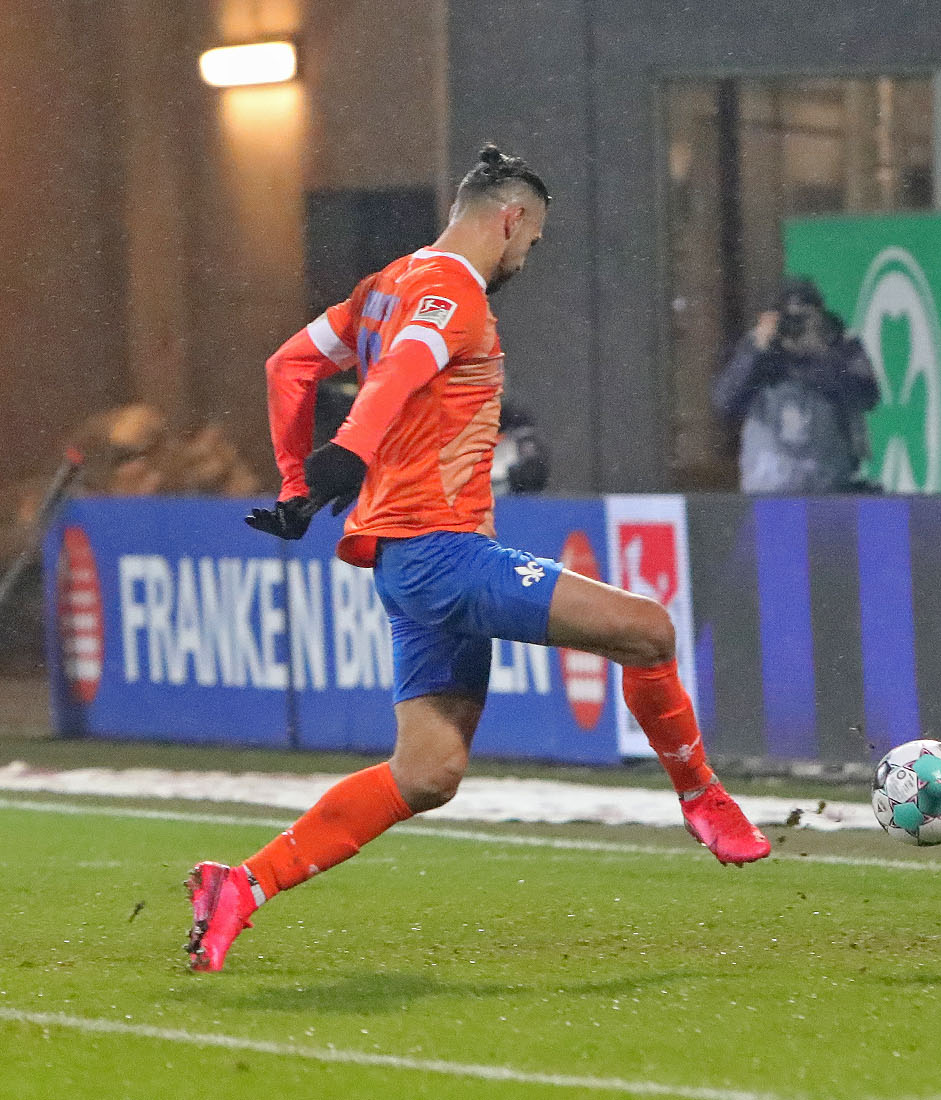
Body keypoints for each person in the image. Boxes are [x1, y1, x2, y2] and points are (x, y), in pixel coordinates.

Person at [187, 145, 770, 973]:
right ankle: (701, 796)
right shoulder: (453, 291)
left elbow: (290, 366)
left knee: (427, 772)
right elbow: (402, 372)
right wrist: (344, 456)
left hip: (403, 562)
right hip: (442, 554)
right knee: (647, 630)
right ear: (511, 218)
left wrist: (295, 480)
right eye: (534, 240)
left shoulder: (383, 285)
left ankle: (239, 887)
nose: (528, 258)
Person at [711, 276, 880, 493]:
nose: (794, 326)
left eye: (803, 318)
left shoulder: (841, 346)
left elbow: (867, 396)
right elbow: (724, 401)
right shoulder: (756, 352)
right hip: (768, 488)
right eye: (786, 319)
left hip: (829, 486)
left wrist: (822, 352)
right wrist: (756, 351)